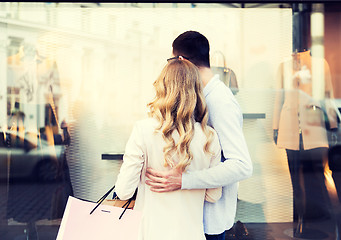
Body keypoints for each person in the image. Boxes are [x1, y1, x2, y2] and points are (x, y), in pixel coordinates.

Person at [145, 31, 253, 240]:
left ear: (181, 61)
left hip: (208, 223)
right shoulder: (201, 94)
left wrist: (184, 180)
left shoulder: (220, 101)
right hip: (191, 217)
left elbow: (241, 165)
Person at [114, 57, 222, 240]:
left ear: (162, 87)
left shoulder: (143, 129)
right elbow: (213, 196)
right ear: (196, 90)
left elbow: (124, 191)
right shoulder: (209, 136)